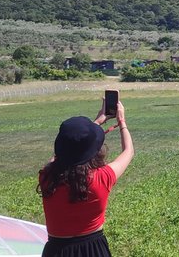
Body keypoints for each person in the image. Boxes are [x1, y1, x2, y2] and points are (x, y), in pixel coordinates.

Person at [37, 100, 134, 257]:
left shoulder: (47, 177)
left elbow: (59, 156)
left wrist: (96, 123)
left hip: (56, 251)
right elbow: (128, 151)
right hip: (94, 250)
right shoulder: (101, 178)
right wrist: (121, 121)